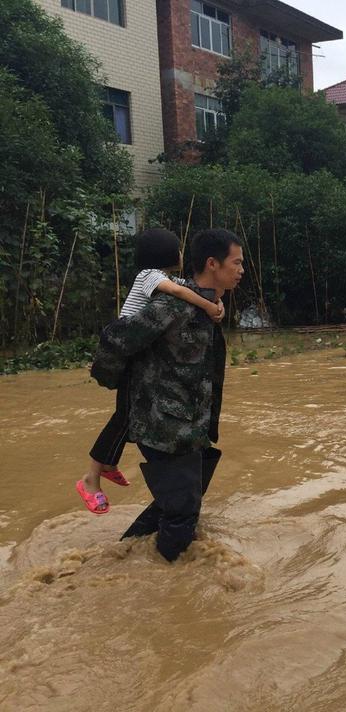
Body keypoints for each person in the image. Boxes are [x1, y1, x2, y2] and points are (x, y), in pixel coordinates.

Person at [91, 228, 243, 561]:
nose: (241, 270)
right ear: (212, 264)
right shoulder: (172, 305)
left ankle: (123, 555)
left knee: (179, 501)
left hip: (193, 425)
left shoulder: (208, 306)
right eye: (237, 262)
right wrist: (123, 391)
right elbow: (116, 340)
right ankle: (164, 579)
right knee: (183, 512)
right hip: (163, 425)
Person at [77, 229, 224, 515]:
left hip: (140, 358)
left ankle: (108, 465)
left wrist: (217, 302)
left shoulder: (167, 278)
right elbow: (180, 292)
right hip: (130, 357)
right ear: (166, 254)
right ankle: (91, 479)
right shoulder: (150, 276)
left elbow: (193, 287)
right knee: (122, 419)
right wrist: (208, 305)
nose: (182, 255)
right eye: (178, 250)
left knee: (125, 418)